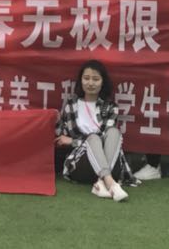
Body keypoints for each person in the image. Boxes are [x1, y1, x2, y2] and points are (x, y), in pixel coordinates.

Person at [54, 59, 133, 200]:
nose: (90, 83)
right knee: (94, 138)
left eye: (96, 79)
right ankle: (111, 184)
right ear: (81, 80)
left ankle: (102, 183)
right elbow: (61, 136)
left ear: (103, 82)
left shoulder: (110, 107)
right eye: (86, 78)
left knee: (113, 132)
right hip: (81, 164)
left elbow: (106, 139)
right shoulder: (71, 104)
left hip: (109, 160)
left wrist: (74, 141)